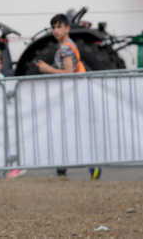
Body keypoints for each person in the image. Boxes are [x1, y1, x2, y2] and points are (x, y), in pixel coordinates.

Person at [36, 14, 100, 179]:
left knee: (71, 130)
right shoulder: (67, 46)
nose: (56, 30)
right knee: (69, 130)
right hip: (72, 96)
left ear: (67, 28)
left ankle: (89, 166)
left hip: (72, 97)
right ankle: (63, 166)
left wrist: (47, 69)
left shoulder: (65, 48)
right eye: (53, 27)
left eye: (59, 27)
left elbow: (68, 72)